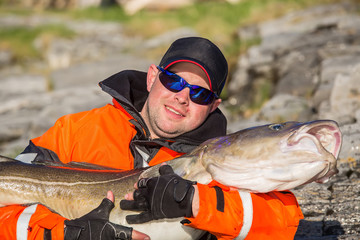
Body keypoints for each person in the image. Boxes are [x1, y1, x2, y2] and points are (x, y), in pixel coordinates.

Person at [0, 37, 303, 240]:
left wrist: (197, 202)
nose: (182, 97)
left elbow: (282, 222)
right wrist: (62, 233)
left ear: (213, 106)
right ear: (152, 77)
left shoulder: (219, 158)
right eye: (173, 80)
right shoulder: (74, 129)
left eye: (199, 94)